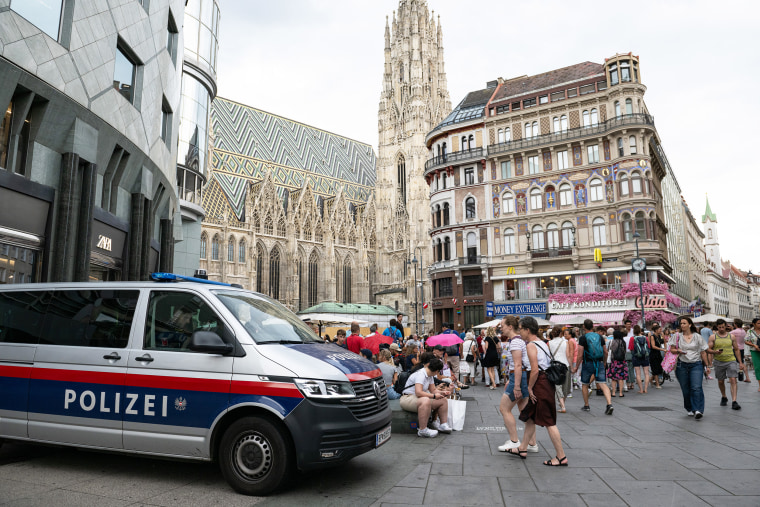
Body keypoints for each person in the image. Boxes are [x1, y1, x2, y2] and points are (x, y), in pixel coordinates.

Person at [505, 316, 568, 467]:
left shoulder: (531, 345)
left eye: (520, 329)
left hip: (540, 383)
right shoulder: (542, 343)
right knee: (531, 417)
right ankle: (522, 448)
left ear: (527, 329)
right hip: (545, 383)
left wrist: (530, 387)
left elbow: (534, 371)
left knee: (549, 422)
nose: (519, 332)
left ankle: (561, 456)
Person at [497, 315, 537, 454]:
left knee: (504, 408)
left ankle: (514, 441)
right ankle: (531, 443)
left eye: (502, 325)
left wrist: (516, 385)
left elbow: (518, 365)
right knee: (525, 412)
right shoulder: (519, 341)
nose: (500, 327)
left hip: (519, 377)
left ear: (510, 326)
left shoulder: (514, 342)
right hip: (521, 376)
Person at [399, 358, 452, 437]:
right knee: (425, 400)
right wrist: (434, 396)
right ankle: (422, 430)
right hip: (408, 398)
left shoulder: (429, 375)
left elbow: (433, 390)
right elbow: (418, 392)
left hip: (417, 398)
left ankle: (443, 424)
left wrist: (442, 393)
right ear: (436, 371)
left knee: (443, 400)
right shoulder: (421, 374)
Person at [670, 316, 711, 419]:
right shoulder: (677, 336)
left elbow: (703, 352)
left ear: (690, 324)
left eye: (684, 323)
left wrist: (707, 366)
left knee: (696, 387)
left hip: (696, 364)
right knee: (686, 389)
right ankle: (689, 408)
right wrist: (678, 350)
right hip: (681, 365)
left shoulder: (697, 336)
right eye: (681, 323)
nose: (682, 325)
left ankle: (698, 410)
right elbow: (672, 350)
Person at [572, 319, 613, 415]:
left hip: (588, 363)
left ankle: (586, 405)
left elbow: (580, 354)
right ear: (593, 326)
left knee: (585, 384)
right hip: (599, 362)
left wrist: (576, 367)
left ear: (584, 327)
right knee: (603, 383)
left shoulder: (583, 338)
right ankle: (609, 404)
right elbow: (605, 352)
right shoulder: (599, 336)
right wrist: (604, 362)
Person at [709, 319, 743, 410]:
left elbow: (736, 349)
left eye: (723, 327)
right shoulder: (713, 337)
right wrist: (714, 353)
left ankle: (734, 401)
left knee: (733, 379)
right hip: (718, 361)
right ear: (717, 327)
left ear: (726, 326)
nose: (721, 329)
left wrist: (740, 362)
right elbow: (708, 350)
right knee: (720, 381)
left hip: (731, 360)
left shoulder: (731, 336)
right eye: (719, 327)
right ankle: (724, 396)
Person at [547, 326, 571, 413]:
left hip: (555, 366)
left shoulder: (549, 343)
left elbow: (548, 356)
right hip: (565, 365)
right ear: (561, 333)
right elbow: (568, 355)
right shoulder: (566, 342)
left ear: (552, 333)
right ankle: (562, 404)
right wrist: (571, 365)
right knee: (565, 386)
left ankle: (562, 405)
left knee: (558, 385)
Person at [629, 325, 651, 394]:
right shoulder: (646, 338)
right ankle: (646, 389)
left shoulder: (632, 338)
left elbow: (631, 348)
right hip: (645, 357)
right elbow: (649, 347)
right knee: (646, 373)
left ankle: (641, 389)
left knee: (638, 374)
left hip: (636, 357)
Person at [607, 330, 628, 396]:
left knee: (614, 378)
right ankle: (621, 393)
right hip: (621, 361)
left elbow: (609, 350)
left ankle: (613, 392)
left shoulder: (612, 342)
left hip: (614, 361)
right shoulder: (623, 342)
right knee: (621, 378)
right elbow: (624, 351)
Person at [730, 319, 750, 383]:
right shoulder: (743, 331)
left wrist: (731, 329)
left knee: (732, 363)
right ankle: (747, 377)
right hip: (742, 348)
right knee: (741, 362)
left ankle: (732, 378)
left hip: (735, 348)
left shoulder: (734, 332)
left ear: (735, 324)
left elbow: (727, 335)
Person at [649, 323, 666, 389]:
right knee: (655, 369)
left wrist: (663, 335)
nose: (660, 331)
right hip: (653, 354)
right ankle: (657, 384)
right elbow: (653, 346)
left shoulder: (660, 336)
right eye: (659, 329)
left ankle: (651, 379)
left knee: (659, 368)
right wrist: (662, 349)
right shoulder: (652, 336)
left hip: (658, 354)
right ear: (656, 330)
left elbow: (664, 341)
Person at [746, 318, 760, 392]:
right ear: (754, 324)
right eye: (758, 323)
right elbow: (746, 341)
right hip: (755, 351)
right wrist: (754, 345)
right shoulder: (750, 331)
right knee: (758, 368)